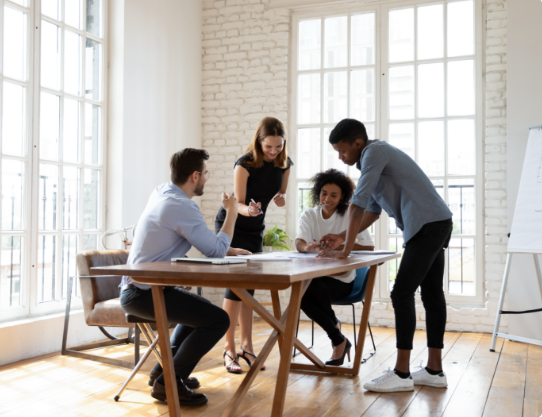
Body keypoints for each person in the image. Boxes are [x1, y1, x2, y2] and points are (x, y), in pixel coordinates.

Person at [319, 119, 453, 393]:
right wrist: (342, 237)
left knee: (401, 293)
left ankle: (402, 374)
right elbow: (371, 210)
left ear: (358, 143)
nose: (340, 157)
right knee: (431, 294)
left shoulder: (373, 153)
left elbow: (356, 204)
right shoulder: (373, 160)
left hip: (427, 226)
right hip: (435, 223)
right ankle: (434, 371)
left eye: (342, 151)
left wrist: (345, 251)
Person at [120, 148, 238, 406]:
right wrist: (232, 212)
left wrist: (228, 248)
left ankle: (163, 371)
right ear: (195, 176)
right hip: (143, 294)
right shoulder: (182, 206)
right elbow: (215, 251)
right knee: (218, 320)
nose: (206, 178)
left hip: (138, 289)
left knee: (204, 311)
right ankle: (168, 383)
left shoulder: (162, 192)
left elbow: (209, 245)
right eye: (205, 174)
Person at [214, 116, 293, 373]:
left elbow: (280, 194)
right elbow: (236, 205)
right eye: (268, 146)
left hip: (255, 229)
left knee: (248, 291)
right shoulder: (244, 164)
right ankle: (228, 349)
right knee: (233, 290)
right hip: (233, 225)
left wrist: (280, 200)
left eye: (278, 146)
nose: (273, 152)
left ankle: (247, 348)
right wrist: (248, 210)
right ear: (259, 142)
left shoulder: (285, 164)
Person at [295, 168, 374, 366]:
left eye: (333, 195)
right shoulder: (309, 215)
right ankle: (338, 339)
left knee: (306, 289)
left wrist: (342, 244)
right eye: (323, 193)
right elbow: (299, 242)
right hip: (316, 278)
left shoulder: (350, 214)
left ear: (343, 197)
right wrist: (307, 247)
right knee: (303, 291)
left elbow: (369, 246)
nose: (327, 199)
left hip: (343, 279)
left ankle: (336, 335)